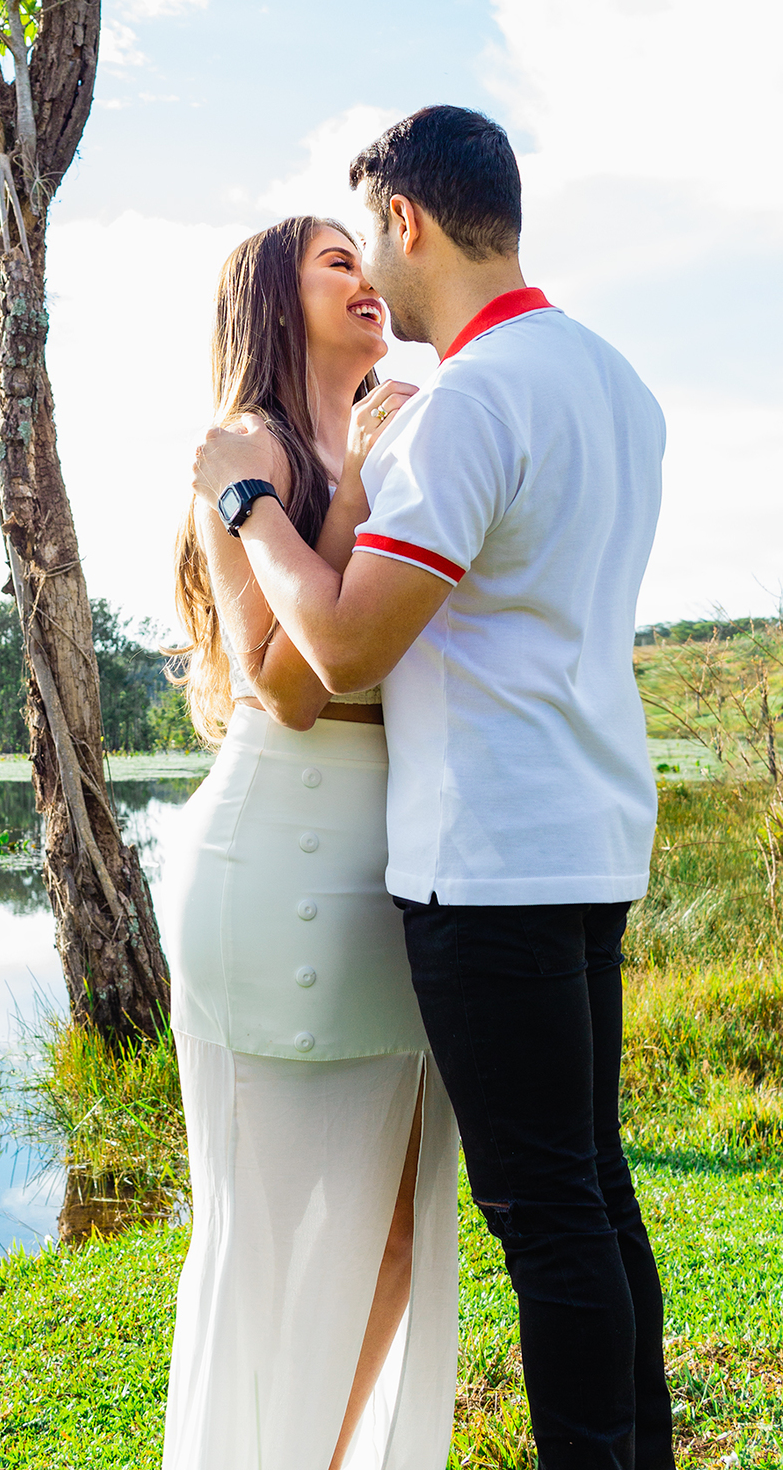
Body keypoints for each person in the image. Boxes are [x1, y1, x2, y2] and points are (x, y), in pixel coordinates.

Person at [192, 105, 673, 1470]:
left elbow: (336, 646)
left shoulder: (470, 400)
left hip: (490, 861)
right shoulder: (611, 380)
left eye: (367, 241)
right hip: (589, 841)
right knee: (593, 1193)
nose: (371, 283)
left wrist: (250, 511)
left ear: (406, 220)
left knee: (548, 1217)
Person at [160, 215, 459, 1470]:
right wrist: (341, 492)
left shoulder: (412, 433)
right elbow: (281, 681)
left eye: (361, 254)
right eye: (330, 260)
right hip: (273, 851)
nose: (362, 276)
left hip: (398, 864)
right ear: (273, 300)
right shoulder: (244, 451)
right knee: (268, 1224)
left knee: (397, 1223)